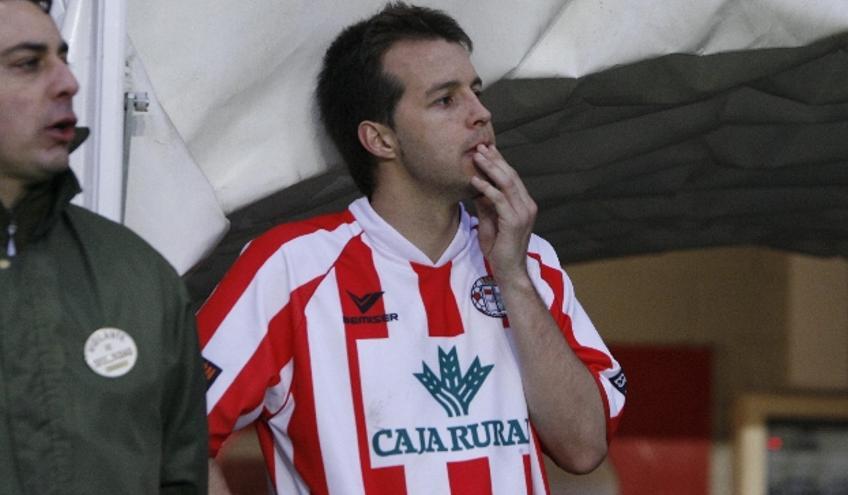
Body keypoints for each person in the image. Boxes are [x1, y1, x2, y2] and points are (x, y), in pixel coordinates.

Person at [198, 2, 626, 494]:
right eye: (446, 100)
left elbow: (584, 447)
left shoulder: (529, 260)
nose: (481, 113)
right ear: (380, 139)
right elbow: (172, 430)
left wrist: (511, 277)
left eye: (477, 92)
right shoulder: (291, 269)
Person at [0, 0, 208, 493]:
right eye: (29, 64)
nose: (67, 82)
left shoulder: (138, 277)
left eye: (62, 58)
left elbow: (180, 477)